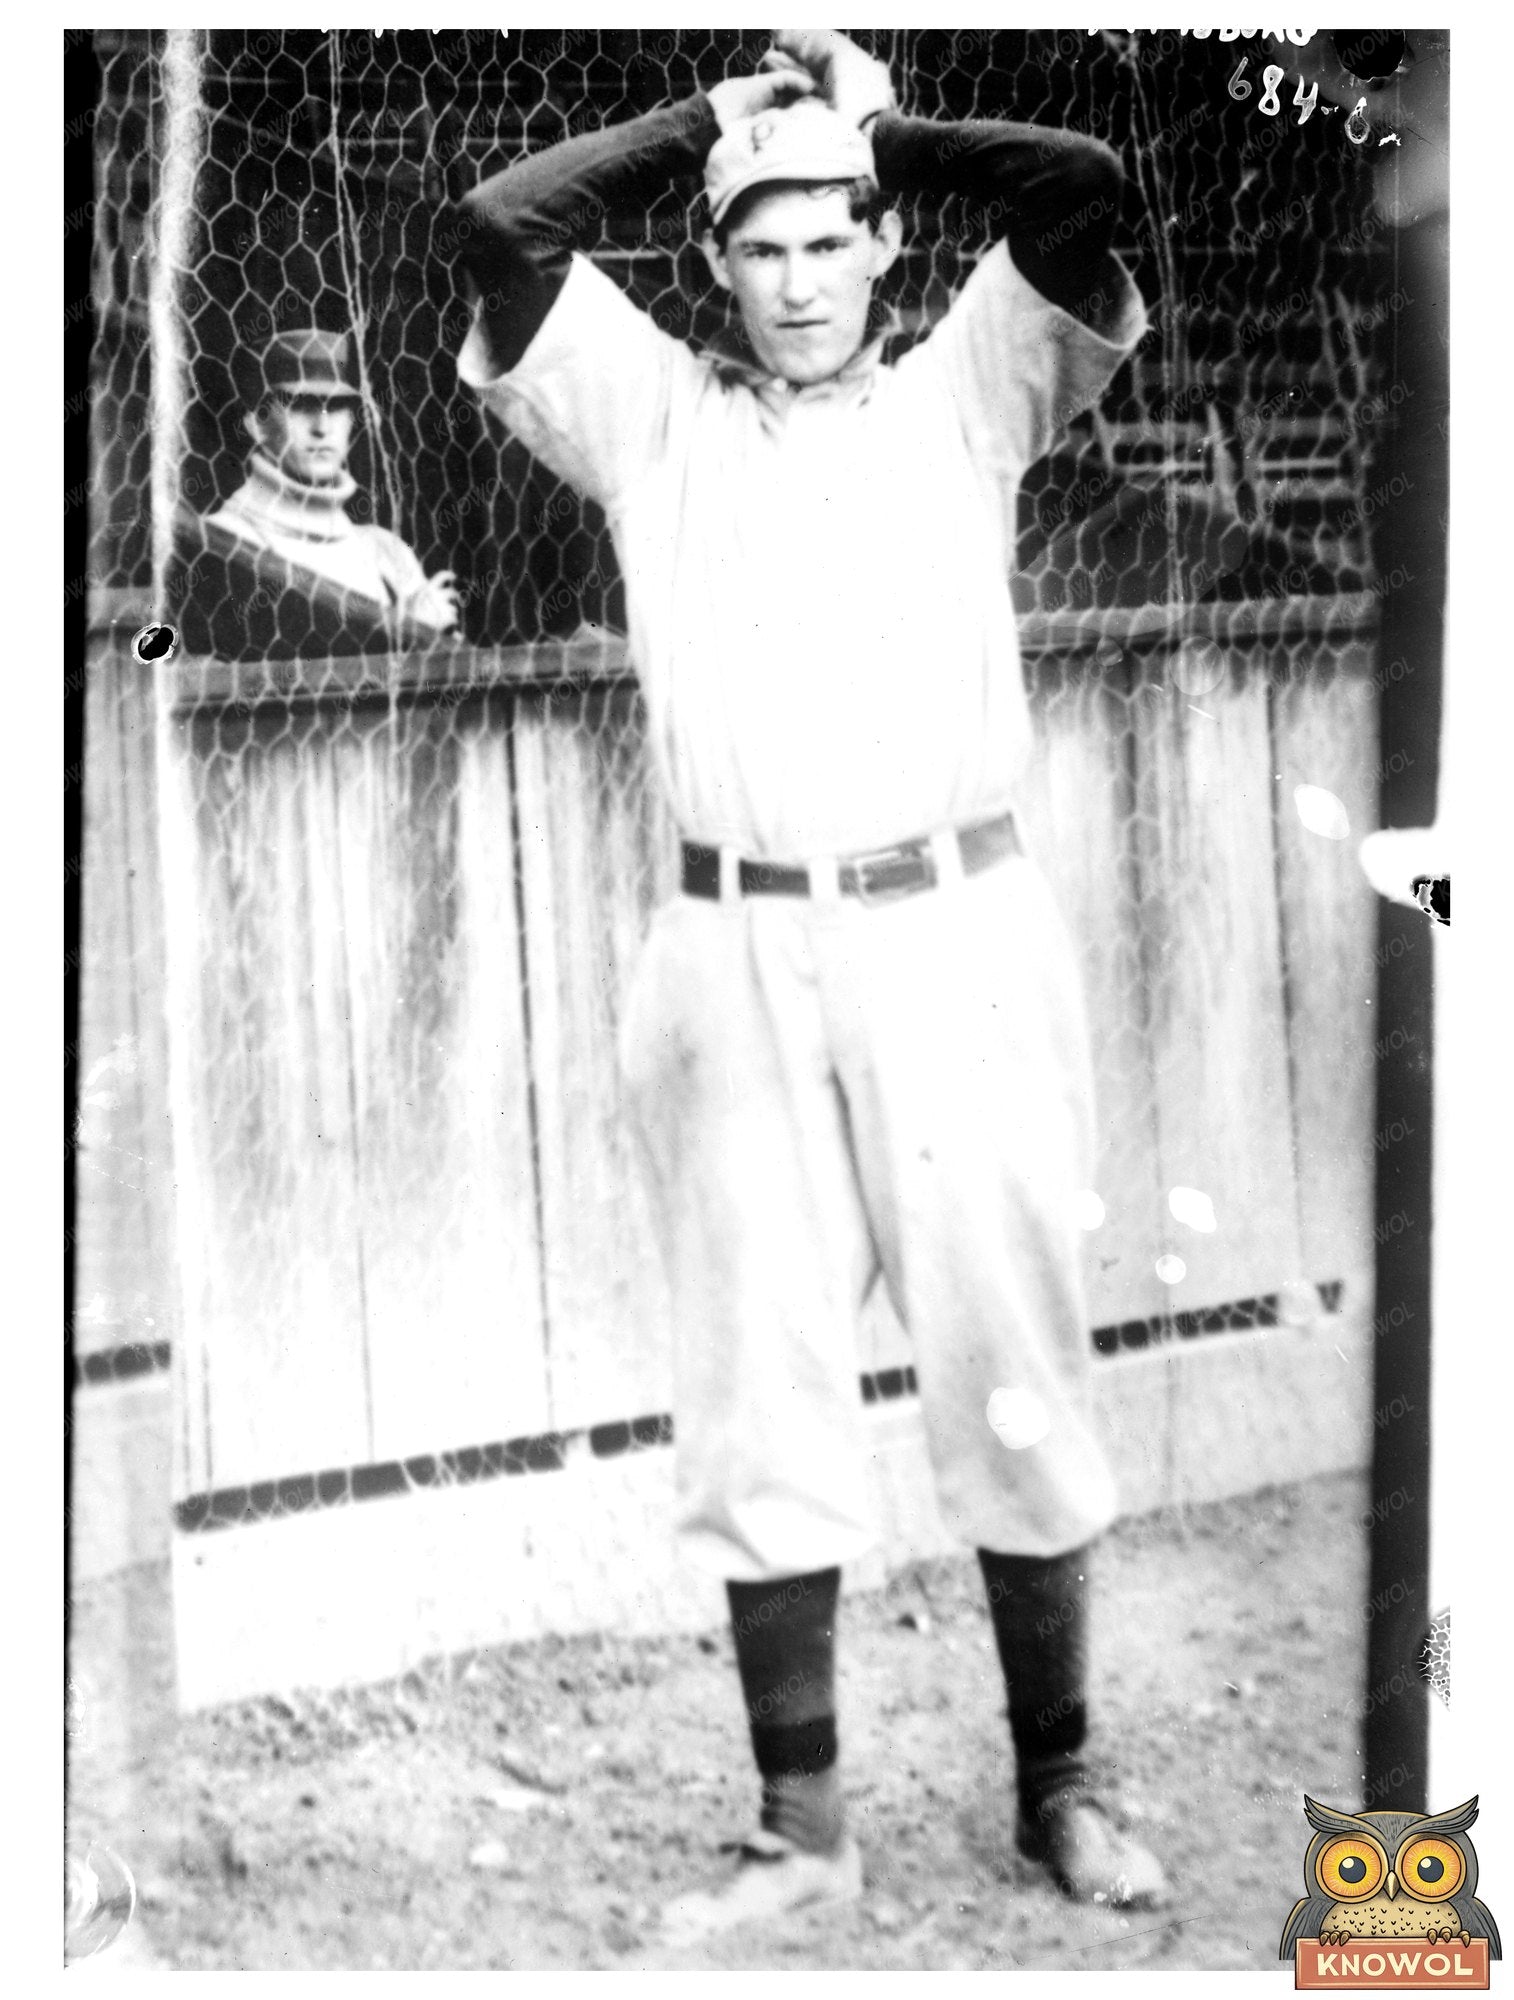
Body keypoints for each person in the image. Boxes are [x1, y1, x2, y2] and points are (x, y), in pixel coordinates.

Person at [447, 27, 1167, 1945]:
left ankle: (1062, 1786)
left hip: (953, 934)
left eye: (828, 239)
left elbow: (1087, 193)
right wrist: (716, 116)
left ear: (878, 245)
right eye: (756, 249)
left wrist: (878, 126)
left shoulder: (963, 388)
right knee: (756, 1384)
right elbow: (498, 222)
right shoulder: (649, 416)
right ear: (718, 266)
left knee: (1008, 1353)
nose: (794, 282)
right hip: (726, 947)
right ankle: (802, 1827)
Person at [178, 330, 459, 658]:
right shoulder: (220, 541)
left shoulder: (387, 553)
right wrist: (408, 633)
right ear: (258, 423)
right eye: (301, 406)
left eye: (337, 407)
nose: (322, 428)